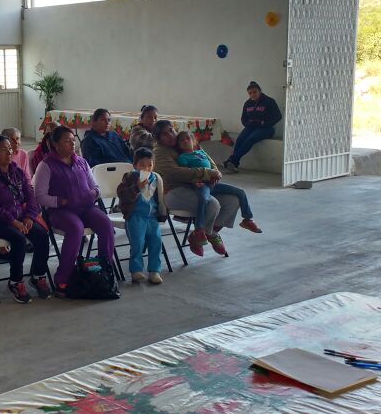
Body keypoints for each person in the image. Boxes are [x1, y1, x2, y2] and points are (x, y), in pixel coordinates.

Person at [33, 125, 117, 296]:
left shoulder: (81, 162)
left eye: (73, 140)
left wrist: (93, 193)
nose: (72, 144)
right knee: (76, 228)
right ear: (55, 144)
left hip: (86, 207)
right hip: (60, 211)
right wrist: (61, 201)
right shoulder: (46, 165)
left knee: (106, 224)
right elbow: (40, 196)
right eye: (67, 141)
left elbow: (95, 186)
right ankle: (63, 278)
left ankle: (104, 270)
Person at [0, 135, 52, 303]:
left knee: (42, 235)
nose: (9, 152)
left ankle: (38, 276)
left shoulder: (17, 172)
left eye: (10, 148)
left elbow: (31, 197)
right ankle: (15, 281)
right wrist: (13, 221)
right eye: (4, 149)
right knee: (18, 239)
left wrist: (29, 216)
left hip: (21, 218)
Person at [153, 121, 235, 257]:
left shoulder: (184, 140)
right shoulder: (159, 152)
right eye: (164, 134)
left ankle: (206, 233)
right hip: (173, 192)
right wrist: (207, 173)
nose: (170, 135)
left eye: (171, 130)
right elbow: (176, 173)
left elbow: (208, 161)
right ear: (158, 138)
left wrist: (215, 173)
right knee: (212, 204)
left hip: (199, 187)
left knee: (233, 201)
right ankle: (206, 234)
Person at [176, 130, 262, 253]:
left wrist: (216, 175)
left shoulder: (201, 153)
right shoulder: (183, 157)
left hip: (213, 184)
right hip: (201, 185)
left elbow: (213, 167)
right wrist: (194, 182)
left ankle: (247, 219)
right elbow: (185, 173)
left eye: (187, 139)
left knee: (240, 192)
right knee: (204, 199)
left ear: (194, 141)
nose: (185, 141)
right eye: (181, 140)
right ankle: (199, 229)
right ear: (178, 145)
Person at [116, 147, 167, 284]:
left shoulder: (156, 178)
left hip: (152, 216)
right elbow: (122, 194)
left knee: (156, 242)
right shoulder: (130, 177)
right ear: (135, 165)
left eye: (150, 165)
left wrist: (162, 213)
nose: (146, 168)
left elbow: (160, 197)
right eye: (142, 165)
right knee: (137, 243)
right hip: (135, 215)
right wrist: (136, 187)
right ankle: (136, 270)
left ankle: (154, 270)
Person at [224, 82, 282, 174]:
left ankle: (232, 160)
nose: (252, 95)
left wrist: (264, 123)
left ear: (259, 91)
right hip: (251, 127)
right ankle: (233, 163)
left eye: (254, 92)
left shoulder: (269, 101)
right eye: (250, 93)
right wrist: (248, 123)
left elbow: (278, 116)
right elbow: (243, 119)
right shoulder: (248, 103)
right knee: (240, 138)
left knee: (251, 138)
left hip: (266, 128)